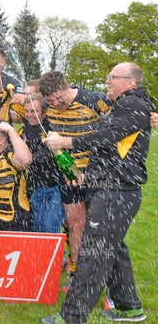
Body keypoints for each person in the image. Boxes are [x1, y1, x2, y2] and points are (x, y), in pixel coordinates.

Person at [41, 62, 151, 324]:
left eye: (112, 77)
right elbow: (109, 151)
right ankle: (129, 308)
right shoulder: (128, 106)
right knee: (115, 249)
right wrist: (85, 176)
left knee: (95, 251)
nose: (107, 81)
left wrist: (65, 142)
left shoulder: (133, 106)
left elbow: (105, 137)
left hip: (117, 190)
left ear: (130, 82)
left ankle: (73, 316)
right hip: (108, 186)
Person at [37, 70, 111, 291]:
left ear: (67, 86)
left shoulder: (94, 99)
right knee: (74, 222)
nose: (58, 104)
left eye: (61, 97)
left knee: (100, 225)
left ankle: (106, 276)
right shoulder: (47, 106)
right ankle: (76, 274)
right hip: (69, 169)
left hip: (98, 170)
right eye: (52, 101)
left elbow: (121, 120)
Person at [19, 93, 65, 233]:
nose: (29, 115)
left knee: (49, 228)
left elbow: (49, 152)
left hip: (57, 187)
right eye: (26, 111)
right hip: (35, 187)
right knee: (38, 230)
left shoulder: (51, 128)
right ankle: (45, 255)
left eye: (34, 111)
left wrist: (29, 159)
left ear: (44, 112)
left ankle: (59, 255)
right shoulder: (25, 130)